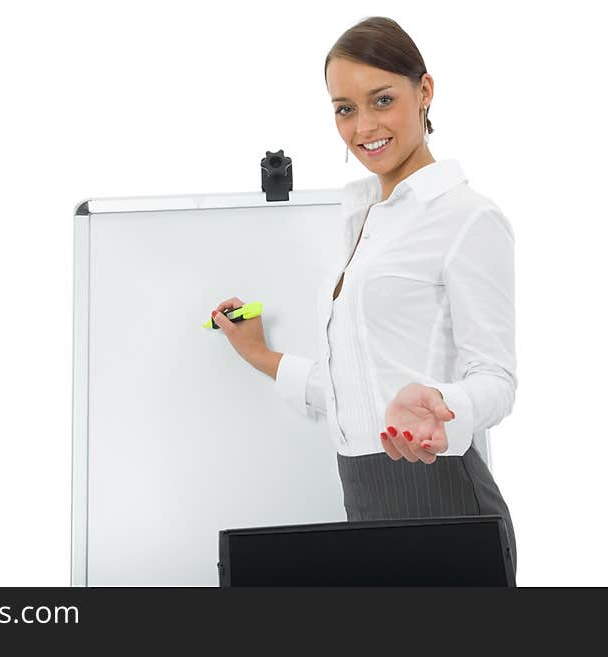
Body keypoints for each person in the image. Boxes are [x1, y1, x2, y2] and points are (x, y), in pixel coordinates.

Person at [211, 16, 518, 576]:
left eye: (382, 100)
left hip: (443, 500)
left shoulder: (468, 218)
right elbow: (354, 388)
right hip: (364, 498)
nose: (363, 126)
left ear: (424, 91)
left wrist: (444, 407)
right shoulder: (361, 221)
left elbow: (496, 379)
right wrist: (261, 355)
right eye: (344, 108)